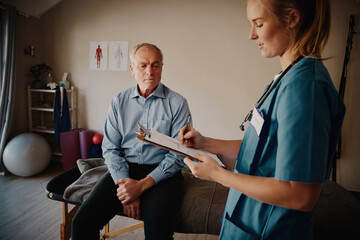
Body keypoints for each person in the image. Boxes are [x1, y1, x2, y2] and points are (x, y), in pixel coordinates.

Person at [179, 0, 345, 239]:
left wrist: (218, 175)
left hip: (271, 230)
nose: (251, 34)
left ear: (292, 19)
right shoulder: (286, 78)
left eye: (259, 23)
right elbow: (262, 147)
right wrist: (205, 143)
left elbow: (301, 195)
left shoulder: (305, 87)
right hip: (247, 222)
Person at [72, 43, 191, 240]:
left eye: (155, 65)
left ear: (162, 67)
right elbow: (110, 149)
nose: (149, 71)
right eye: (143, 65)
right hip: (124, 170)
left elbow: (178, 155)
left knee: (157, 234)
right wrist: (125, 186)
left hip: (162, 174)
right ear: (132, 69)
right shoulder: (118, 102)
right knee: (81, 223)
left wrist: (141, 187)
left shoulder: (177, 103)